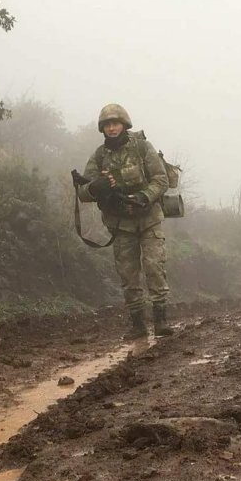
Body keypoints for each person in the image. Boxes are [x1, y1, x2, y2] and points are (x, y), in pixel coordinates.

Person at [78, 104, 172, 339]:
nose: (111, 128)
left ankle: (161, 321)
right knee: (128, 276)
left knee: (154, 269)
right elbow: (83, 192)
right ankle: (138, 325)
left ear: (124, 125)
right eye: (107, 125)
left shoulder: (141, 147)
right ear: (102, 128)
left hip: (149, 219)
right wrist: (95, 187)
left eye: (115, 123)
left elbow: (161, 180)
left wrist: (144, 196)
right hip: (121, 225)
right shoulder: (99, 156)